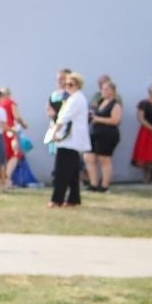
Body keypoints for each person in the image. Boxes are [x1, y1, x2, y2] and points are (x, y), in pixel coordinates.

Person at [48, 72, 90, 208]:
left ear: (78, 85)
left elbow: (64, 117)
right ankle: (73, 199)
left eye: (71, 84)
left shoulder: (76, 99)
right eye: (66, 84)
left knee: (62, 171)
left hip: (69, 140)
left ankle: (57, 199)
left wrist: (54, 132)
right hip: (71, 140)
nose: (67, 87)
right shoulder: (74, 98)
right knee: (72, 173)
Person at [86, 78, 123, 191]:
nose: (103, 91)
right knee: (89, 157)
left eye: (106, 89)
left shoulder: (115, 104)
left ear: (113, 91)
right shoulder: (100, 102)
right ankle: (93, 184)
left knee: (104, 159)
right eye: (102, 89)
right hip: (94, 133)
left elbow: (115, 120)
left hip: (108, 135)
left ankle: (104, 185)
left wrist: (98, 119)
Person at [0, 86, 27, 188]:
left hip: (0, 132)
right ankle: (6, 178)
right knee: (15, 155)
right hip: (10, 132)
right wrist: (24, 124)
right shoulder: (10, 102)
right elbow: (17, 117)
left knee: (2, 156)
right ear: (9, 94)